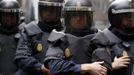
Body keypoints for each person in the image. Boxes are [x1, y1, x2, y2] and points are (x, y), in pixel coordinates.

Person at [44, 0, 112, 75]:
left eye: (82, 15)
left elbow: (102, 69)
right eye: (74, 15)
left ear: (89, 17)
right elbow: (55, 67)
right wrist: (86, 67)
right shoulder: (59, 37)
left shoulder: (98, 38)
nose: (78, 19)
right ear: (68, 18)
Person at [14, 0, 64, 75]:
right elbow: (22, 57)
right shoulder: (29, 30)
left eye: (52, 10)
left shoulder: (65, 32)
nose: (48, 13)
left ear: (58, 11)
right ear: (40, 10)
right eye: (45, 10)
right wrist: (40, 68)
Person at [91, 0, 134, 75]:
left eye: (132, 15)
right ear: (116, 18)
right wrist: (113, 65)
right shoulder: (103, 38)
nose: (130, 18)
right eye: (126, 15)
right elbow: (97, 69)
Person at [0, 0, 22, 74]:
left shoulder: (25, 35)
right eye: (5, 15)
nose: (8, 19)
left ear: (17, 16)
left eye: (11, 15)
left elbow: (27, 62)